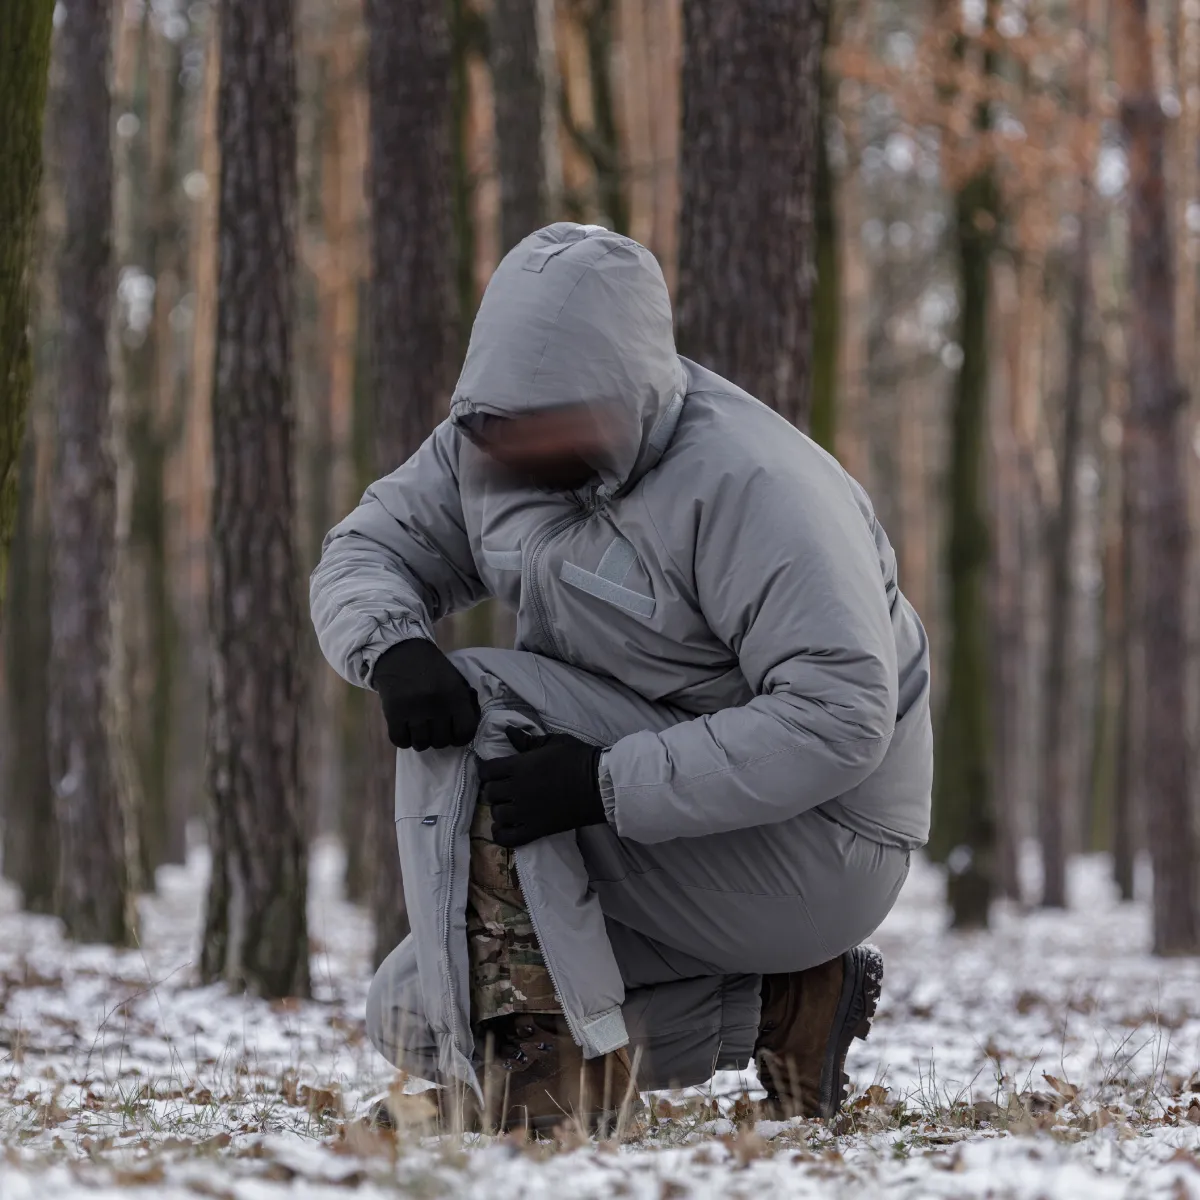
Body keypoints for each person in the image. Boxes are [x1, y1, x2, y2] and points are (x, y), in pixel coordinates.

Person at [310, 222, 932, 1134]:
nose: (513, 451)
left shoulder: (754, 488)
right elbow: (368, 548)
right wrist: (391, 644)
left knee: (491, 698)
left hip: (823, 838)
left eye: (545, 424)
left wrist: (604, 786)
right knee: (418, 1013)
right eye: (501, 427)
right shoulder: (485, 445)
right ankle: (785, 1006)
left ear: (614, 397)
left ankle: (554, 1093)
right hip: (656, 815)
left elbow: (838, 718)